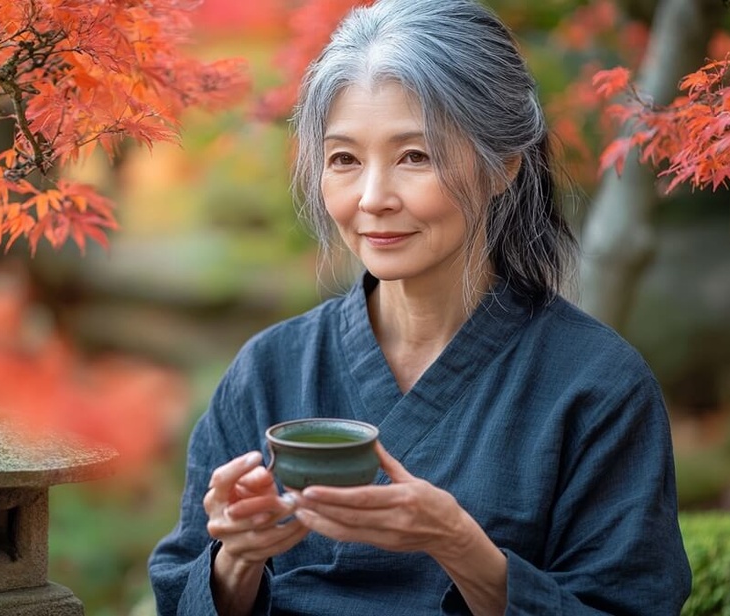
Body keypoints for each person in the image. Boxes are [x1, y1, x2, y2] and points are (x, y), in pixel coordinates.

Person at [147, 0, 692, 614]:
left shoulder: (596, 384)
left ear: (503, 166)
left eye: (415, 156)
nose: (373, 198)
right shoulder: (271, 368)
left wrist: (459, 546)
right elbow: (181, 590)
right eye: (344, 159)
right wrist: (238, 556)